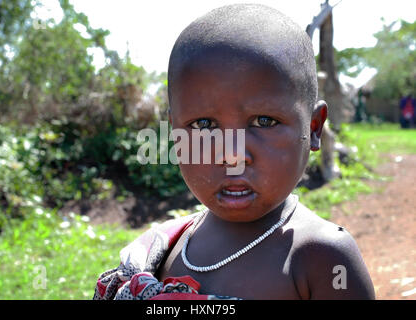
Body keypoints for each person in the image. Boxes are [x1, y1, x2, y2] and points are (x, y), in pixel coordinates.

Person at [93, 4, 375, 300]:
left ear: (314, 128)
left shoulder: (321, 259)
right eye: (204, 125)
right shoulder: (160, 252)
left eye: (264, 122)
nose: (231, 154)